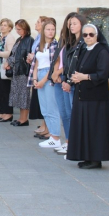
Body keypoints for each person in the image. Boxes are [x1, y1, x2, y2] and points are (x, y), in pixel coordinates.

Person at [66, 24, 109, 169]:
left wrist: (84, 77)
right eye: (85, 35)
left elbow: (103, 74)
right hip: (83, 94)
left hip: (95, 97)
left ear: (97, 35)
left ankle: (96, 159)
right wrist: (76, 78)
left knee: (95, 128)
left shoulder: (102, 51)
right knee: (84, 127)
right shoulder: (84, 50)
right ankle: (87, 156)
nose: (88, 37)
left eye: (91, 35)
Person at [29, 19, 61, 148]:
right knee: (44, 108)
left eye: (52, 29)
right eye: (48, 29)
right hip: (40, 74)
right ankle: (51, 135)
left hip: (49, 76)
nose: (50, 32)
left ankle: (55, 137)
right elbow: (36, 64)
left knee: (52, 107)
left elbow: (54, 65)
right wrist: (35, 80)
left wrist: (43, 81)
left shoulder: (56, 45)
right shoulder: (40, 46)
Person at [48, 12, 77, 155]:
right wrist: (54, 71)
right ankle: (67, 141)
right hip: (58, 78)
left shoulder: (77, 41)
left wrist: (59, 72)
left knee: (71, 112)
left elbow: (72, 62)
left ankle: (73, 142)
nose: (71, 26)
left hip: (67, 79)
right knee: (64, 113)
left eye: (74, 23)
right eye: (69, 23)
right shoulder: (63, 39)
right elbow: (58, 58)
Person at [6, 19, 34, 126]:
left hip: (23, 70)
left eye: (19, 29)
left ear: (25, 28)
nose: (17, 31)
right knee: (18, 95)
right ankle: (21, 118)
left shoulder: (29, 40)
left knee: (24, 95)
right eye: (16, 29)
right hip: (16, 71)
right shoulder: (19, 39)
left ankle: (24, 119)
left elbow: (26, 55)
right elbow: (14, 53)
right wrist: (9, 62)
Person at [0, 18, 15, 122]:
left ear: (10, 28)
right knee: (1, 91)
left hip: (5, 67)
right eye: (1, 25)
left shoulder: (9, 38)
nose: (2, 27)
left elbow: (10, 52)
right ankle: (4, 112)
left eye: (5, 25)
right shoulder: (0, 38)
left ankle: (8, 113)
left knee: (6, 91)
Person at [27, 17, 46, 134]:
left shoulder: (44, 39)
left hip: (42, 71)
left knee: (45, 101)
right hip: (35, 69)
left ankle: (46, 126)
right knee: (40, 100)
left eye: (38, 22)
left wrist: (32, 57)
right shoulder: (37, 37)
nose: (36, 23)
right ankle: (44, 125)